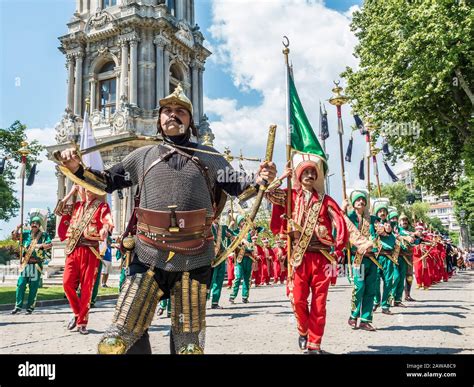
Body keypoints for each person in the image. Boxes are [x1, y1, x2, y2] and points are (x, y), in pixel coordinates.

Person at [58, 84, 276, 354]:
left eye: (181, 111)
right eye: (167, 111)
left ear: (190, 121)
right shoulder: (141, 156)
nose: (173, 115)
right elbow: (106, 183)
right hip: (147, 253)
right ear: (159, 120)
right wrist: (76, 168)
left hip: (194, 255)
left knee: (189, 347)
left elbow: (240, 188)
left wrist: (261, 179)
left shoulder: (211, 157)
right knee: (120, 337)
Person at [267, 154, 348, 354]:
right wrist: (281, 176)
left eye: (313, 172)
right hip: (298, 256)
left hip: (322, 258)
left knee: (320, 303)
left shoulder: (325, 200)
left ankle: (315, 344)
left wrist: (339, 247)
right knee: (298, 299)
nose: (310, 175)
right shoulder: (289, 196)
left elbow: (340, 221)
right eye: (306, 172)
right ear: (299, 175)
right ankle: (303, 331)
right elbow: (268, 193)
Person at [56, 185, 113, 334]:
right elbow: (59, 210)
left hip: (90, 250)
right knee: (67, 283)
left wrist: (105, 229)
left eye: (89, 188)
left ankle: (82, 322)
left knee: (87, 288)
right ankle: (77, 313)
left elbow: (107, 221)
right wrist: (71, 192)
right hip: (73, 249)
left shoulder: (101, 206)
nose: (86, 190)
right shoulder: (76, 206)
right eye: (84, 187)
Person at [342, 190, 377, 331]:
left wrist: (371, 243)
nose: (361, 202)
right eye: (358, 200)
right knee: (360, 287)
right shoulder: (348, 216)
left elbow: (377, 236)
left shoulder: (372, 220)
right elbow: (340, 228)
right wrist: (342, 209)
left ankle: (365, 320)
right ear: (353, 203)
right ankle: (353, 315)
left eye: (363, 200)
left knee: (370, 289)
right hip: (357, 258)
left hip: (372, 258)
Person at [10, 209, 52, 314]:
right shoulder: (25, 234)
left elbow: (50, 244)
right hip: (26, 263)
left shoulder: (43, 235)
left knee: (33, 287)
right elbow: (14, 237)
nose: (34, 224)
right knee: (21, 284)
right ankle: (18, 306)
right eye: (33, 222)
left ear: (39, 225)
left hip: (36, 264)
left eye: (36, 223)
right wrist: (17, 228)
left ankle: (30, 307)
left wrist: (39, 246)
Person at [371, 199, 399, 315]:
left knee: (388, 282)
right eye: (380, 211)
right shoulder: (374, 224)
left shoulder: (391, 225)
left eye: (384, 211)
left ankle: (385, 305)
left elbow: (397, 232)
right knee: (375, 281)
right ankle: (376, 300)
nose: (382, 213)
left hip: (388, 257)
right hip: (377, 257)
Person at [208, 219, 232, 309]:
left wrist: (231, 233)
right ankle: (203, 301)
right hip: (212, 258)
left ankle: (215, 302)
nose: (217, 217)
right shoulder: (207, 227)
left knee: (219, 280)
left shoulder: (223, 228)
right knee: (210, 280)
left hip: (221, 257)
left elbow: (232, 236)